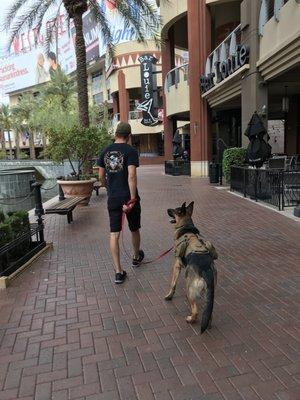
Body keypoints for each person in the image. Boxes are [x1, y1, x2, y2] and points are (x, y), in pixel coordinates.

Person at [98, 122, 144, 284]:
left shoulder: (105, 151)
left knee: (114, 234)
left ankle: (118, 272)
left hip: (113, 198)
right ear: (128, 136)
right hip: (128, 197)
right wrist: (132, 199)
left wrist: (109, 189)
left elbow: (101, 176)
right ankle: (136, 257)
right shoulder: (131, 151)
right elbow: (131, 176)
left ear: (116, 134)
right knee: (134, 228)